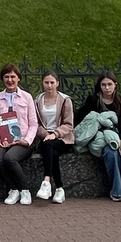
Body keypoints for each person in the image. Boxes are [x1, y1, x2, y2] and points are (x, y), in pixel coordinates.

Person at [76, 70, 121, 202]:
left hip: (118, 135)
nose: (107, 88)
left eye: (109, 84)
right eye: (103, 85)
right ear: (99, 86)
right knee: (111, 153)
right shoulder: (94, 100)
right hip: (100, 139)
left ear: (115, 85)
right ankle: (117, 192)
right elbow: (82, 118)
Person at [0, 63, 38, 205]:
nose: (10, 80)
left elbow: (34, 123)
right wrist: (1, 138)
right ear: (2, 79)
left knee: (10, 158)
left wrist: (26, 140)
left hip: (23, 140)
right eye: (6, 77)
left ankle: (25, 190)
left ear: (18, 78)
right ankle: (13, 189)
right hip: (4, 140)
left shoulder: (27, 97)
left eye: (12, 77)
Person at [33, 71, 74, 204]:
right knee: (52, 152)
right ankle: (59, 189)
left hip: (63, 138)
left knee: (49, 146)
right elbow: (35, 123)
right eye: (46, 82)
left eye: (52, 82)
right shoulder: (37, 100)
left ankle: (46, 181)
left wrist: (55, 134)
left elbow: (69, 124)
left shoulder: (65, 100)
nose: (49, 85)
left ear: (57, 83)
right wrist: (46, 134)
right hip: (45, 136)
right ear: (42, 83)